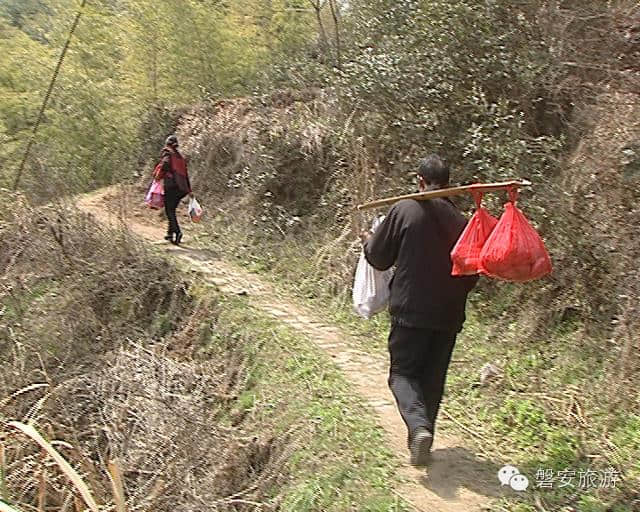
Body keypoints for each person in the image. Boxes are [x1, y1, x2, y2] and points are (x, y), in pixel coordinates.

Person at [362, 155, 478, 467]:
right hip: (448, 316)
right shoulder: (462, 222)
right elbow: (473, 274)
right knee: (432, 379)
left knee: (402, 374)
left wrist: (368, 241)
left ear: (419, 181)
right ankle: (422, 439)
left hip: (410, 312)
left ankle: (418, 427)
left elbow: (379, 258)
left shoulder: (404, 209)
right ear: (449, 184)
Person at [156, 135, 193, 245]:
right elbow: (185, 174)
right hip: (182, 188)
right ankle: (169, 234)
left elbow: (165, 164)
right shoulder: (179, 157)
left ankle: (177, 232)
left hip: (171, 186)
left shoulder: (168, 152)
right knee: (171, 209)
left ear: (167, 144)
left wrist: (159, 174)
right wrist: (189, 190)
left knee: (169, 210)